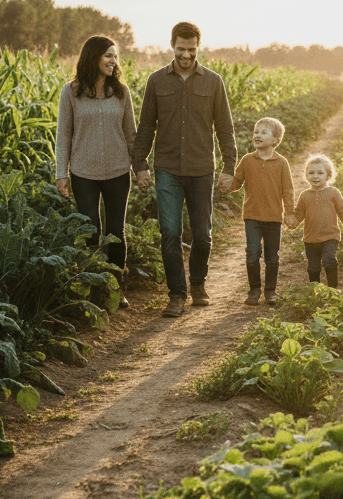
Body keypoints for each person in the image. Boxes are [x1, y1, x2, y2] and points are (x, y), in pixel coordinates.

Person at [131, 21, 237, 318]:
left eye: (191, 50)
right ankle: (177, 294)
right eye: (181, 49)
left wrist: (230, 165)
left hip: (202, 168)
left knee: (202, 234)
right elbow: (146, 126)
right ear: (172, 45)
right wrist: (140, 165)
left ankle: (199, 285)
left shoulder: (213, 82)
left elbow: (225, 128)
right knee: (170, 233)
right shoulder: (156, 81)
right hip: (167, 168)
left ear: (198, 48)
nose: (186, 55)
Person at [55, 35, 136, 310]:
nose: (114, 62)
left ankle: (116, 288)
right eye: (109, 56)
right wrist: (61, 173)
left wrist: (141, 168)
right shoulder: (71, 92)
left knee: (116, 231)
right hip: (83, 173)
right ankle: (91, 288)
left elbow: (131, 135)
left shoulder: (122, 92)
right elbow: (63, 135)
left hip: (117, 172)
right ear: (93, 57)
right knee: (91, 231)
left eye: (116, 57)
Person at [224, 117, 297, 306]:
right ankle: (254, 289)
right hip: (252, 217)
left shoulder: (282, 163)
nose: (257, 135)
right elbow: (237, 182)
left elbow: (288, 190)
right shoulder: (247, 160)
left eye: (264, 132)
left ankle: (270, 291)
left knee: (272, 257)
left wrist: (289, 212)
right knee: (252, 253)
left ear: (275, 140)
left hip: (274, 218)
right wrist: (227, 185)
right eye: (256, 132)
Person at [293, 154, 343, 288]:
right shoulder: (304, 196)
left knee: (329, 260)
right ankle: (315, 289)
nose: (315, 176)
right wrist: (291, 221)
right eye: (311, 173)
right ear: (306, 175)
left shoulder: (333, 192)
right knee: (313, 267)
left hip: (330, 236)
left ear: (328, 175)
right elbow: (298, 214)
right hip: (310, 238)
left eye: (320, 173)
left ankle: (333, 288)